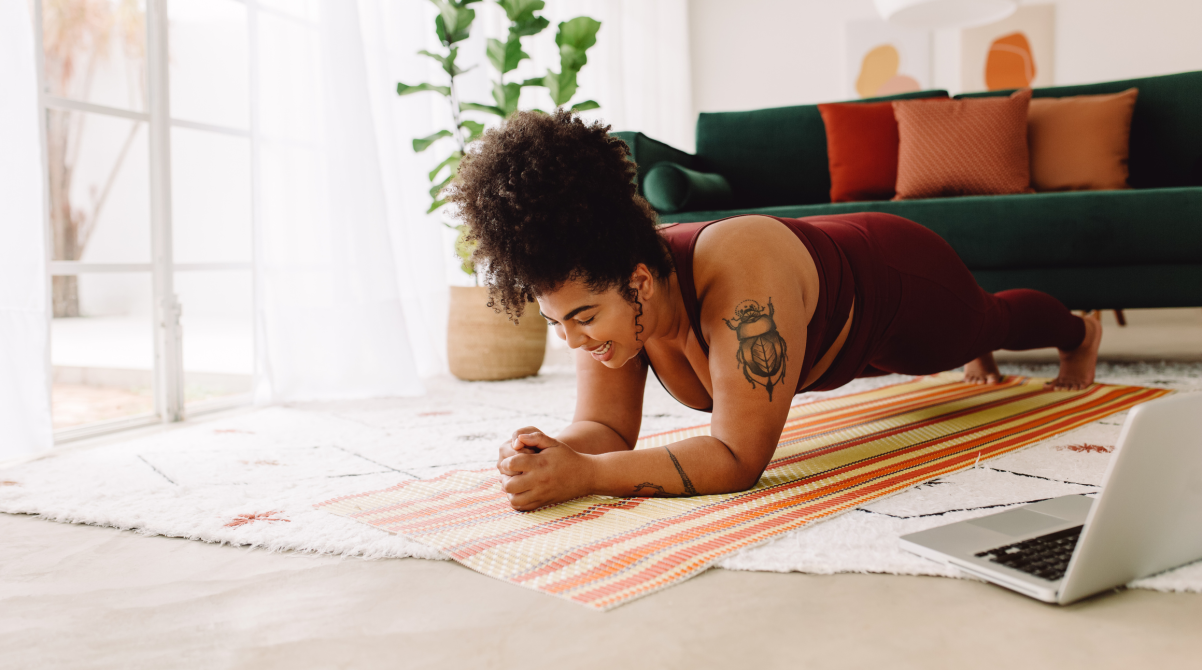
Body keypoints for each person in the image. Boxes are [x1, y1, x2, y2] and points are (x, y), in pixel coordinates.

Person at [446, 110, 1102, 512]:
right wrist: (551, 452)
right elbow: (604, 430)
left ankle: (1079, 329)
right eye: (555, 321)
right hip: (833, 329)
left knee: (988, 323)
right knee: (966, 341)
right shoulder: (616, 306)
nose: (571, 339)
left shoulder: (739, 274)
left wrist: (587, 478)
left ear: (639, 283)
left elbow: (736, 459)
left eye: (583, 317)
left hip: (900, 280)